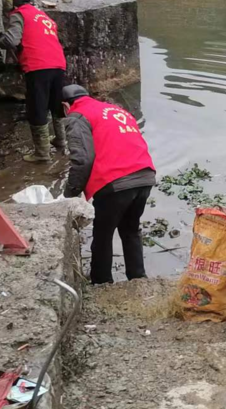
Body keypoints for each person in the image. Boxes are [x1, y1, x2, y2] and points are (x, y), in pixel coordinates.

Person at [61, 85, 156, 285]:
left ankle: (101, 282)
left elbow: (82, 159)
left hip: (115, 182)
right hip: (145, 175)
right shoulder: (116, 110)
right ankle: (138, 279)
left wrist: (70, 193)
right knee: (131, 229)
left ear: (65, 106)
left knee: (103, 234)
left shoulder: (76, 115)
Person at [0, 0, 68, 163]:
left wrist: (1, 39)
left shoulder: (19, 14)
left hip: (38, 65)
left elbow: (11, 40)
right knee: (56, 104)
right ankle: (61, 140)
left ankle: (42, 153)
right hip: (58, 64)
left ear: (15, 6)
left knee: (38, 106)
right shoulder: (45, 17)